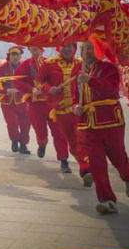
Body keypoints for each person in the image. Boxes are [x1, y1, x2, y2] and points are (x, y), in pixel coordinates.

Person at [72, 38, 129, 214]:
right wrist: (75, 107)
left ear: (99, 50)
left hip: (110, 121)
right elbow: (74, 95)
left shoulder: (108, 68)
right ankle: (107, 200)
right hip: (88, 123)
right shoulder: (78, 70)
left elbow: (111, 90)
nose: (86, 52)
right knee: (96, 163)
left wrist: (90, 80)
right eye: (84, 49)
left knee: (118, 158)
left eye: (90, 48)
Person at [35, 43, 89, 175]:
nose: (67, 49)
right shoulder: (49, 63)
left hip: (78, 109)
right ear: (59, 48)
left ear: (75, 48)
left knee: (81, 138)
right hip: (58, 110)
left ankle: (86, 168)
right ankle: (64, 160)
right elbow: (38, 81)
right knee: (61, 137)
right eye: (64, 46)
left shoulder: (82, 63)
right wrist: (48, 89)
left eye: (70, 46)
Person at [14, 46, 69, 167]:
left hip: (52, 103)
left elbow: (60, 80)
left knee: (59, 131)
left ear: (42, 49)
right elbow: (16, 81)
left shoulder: (50, 63)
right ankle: (42, 143)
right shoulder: (26, 65)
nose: (34, 51)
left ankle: (64, 159)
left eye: (36, 48)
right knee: (40, 129)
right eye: (31, 49)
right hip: (35, 105)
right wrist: (31, 89)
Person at [0, 46, 31, 154]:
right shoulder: (2, 68)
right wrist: (6, 90)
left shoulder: (26, 67)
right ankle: (14, 140)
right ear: (9, 56)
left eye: (17, 55)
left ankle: (23, 145)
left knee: (26, 124)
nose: (15, 57)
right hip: (7, 101)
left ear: (20, 56)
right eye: (13, 55)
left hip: (23, 100)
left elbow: (31, 82)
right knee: (12, 122)